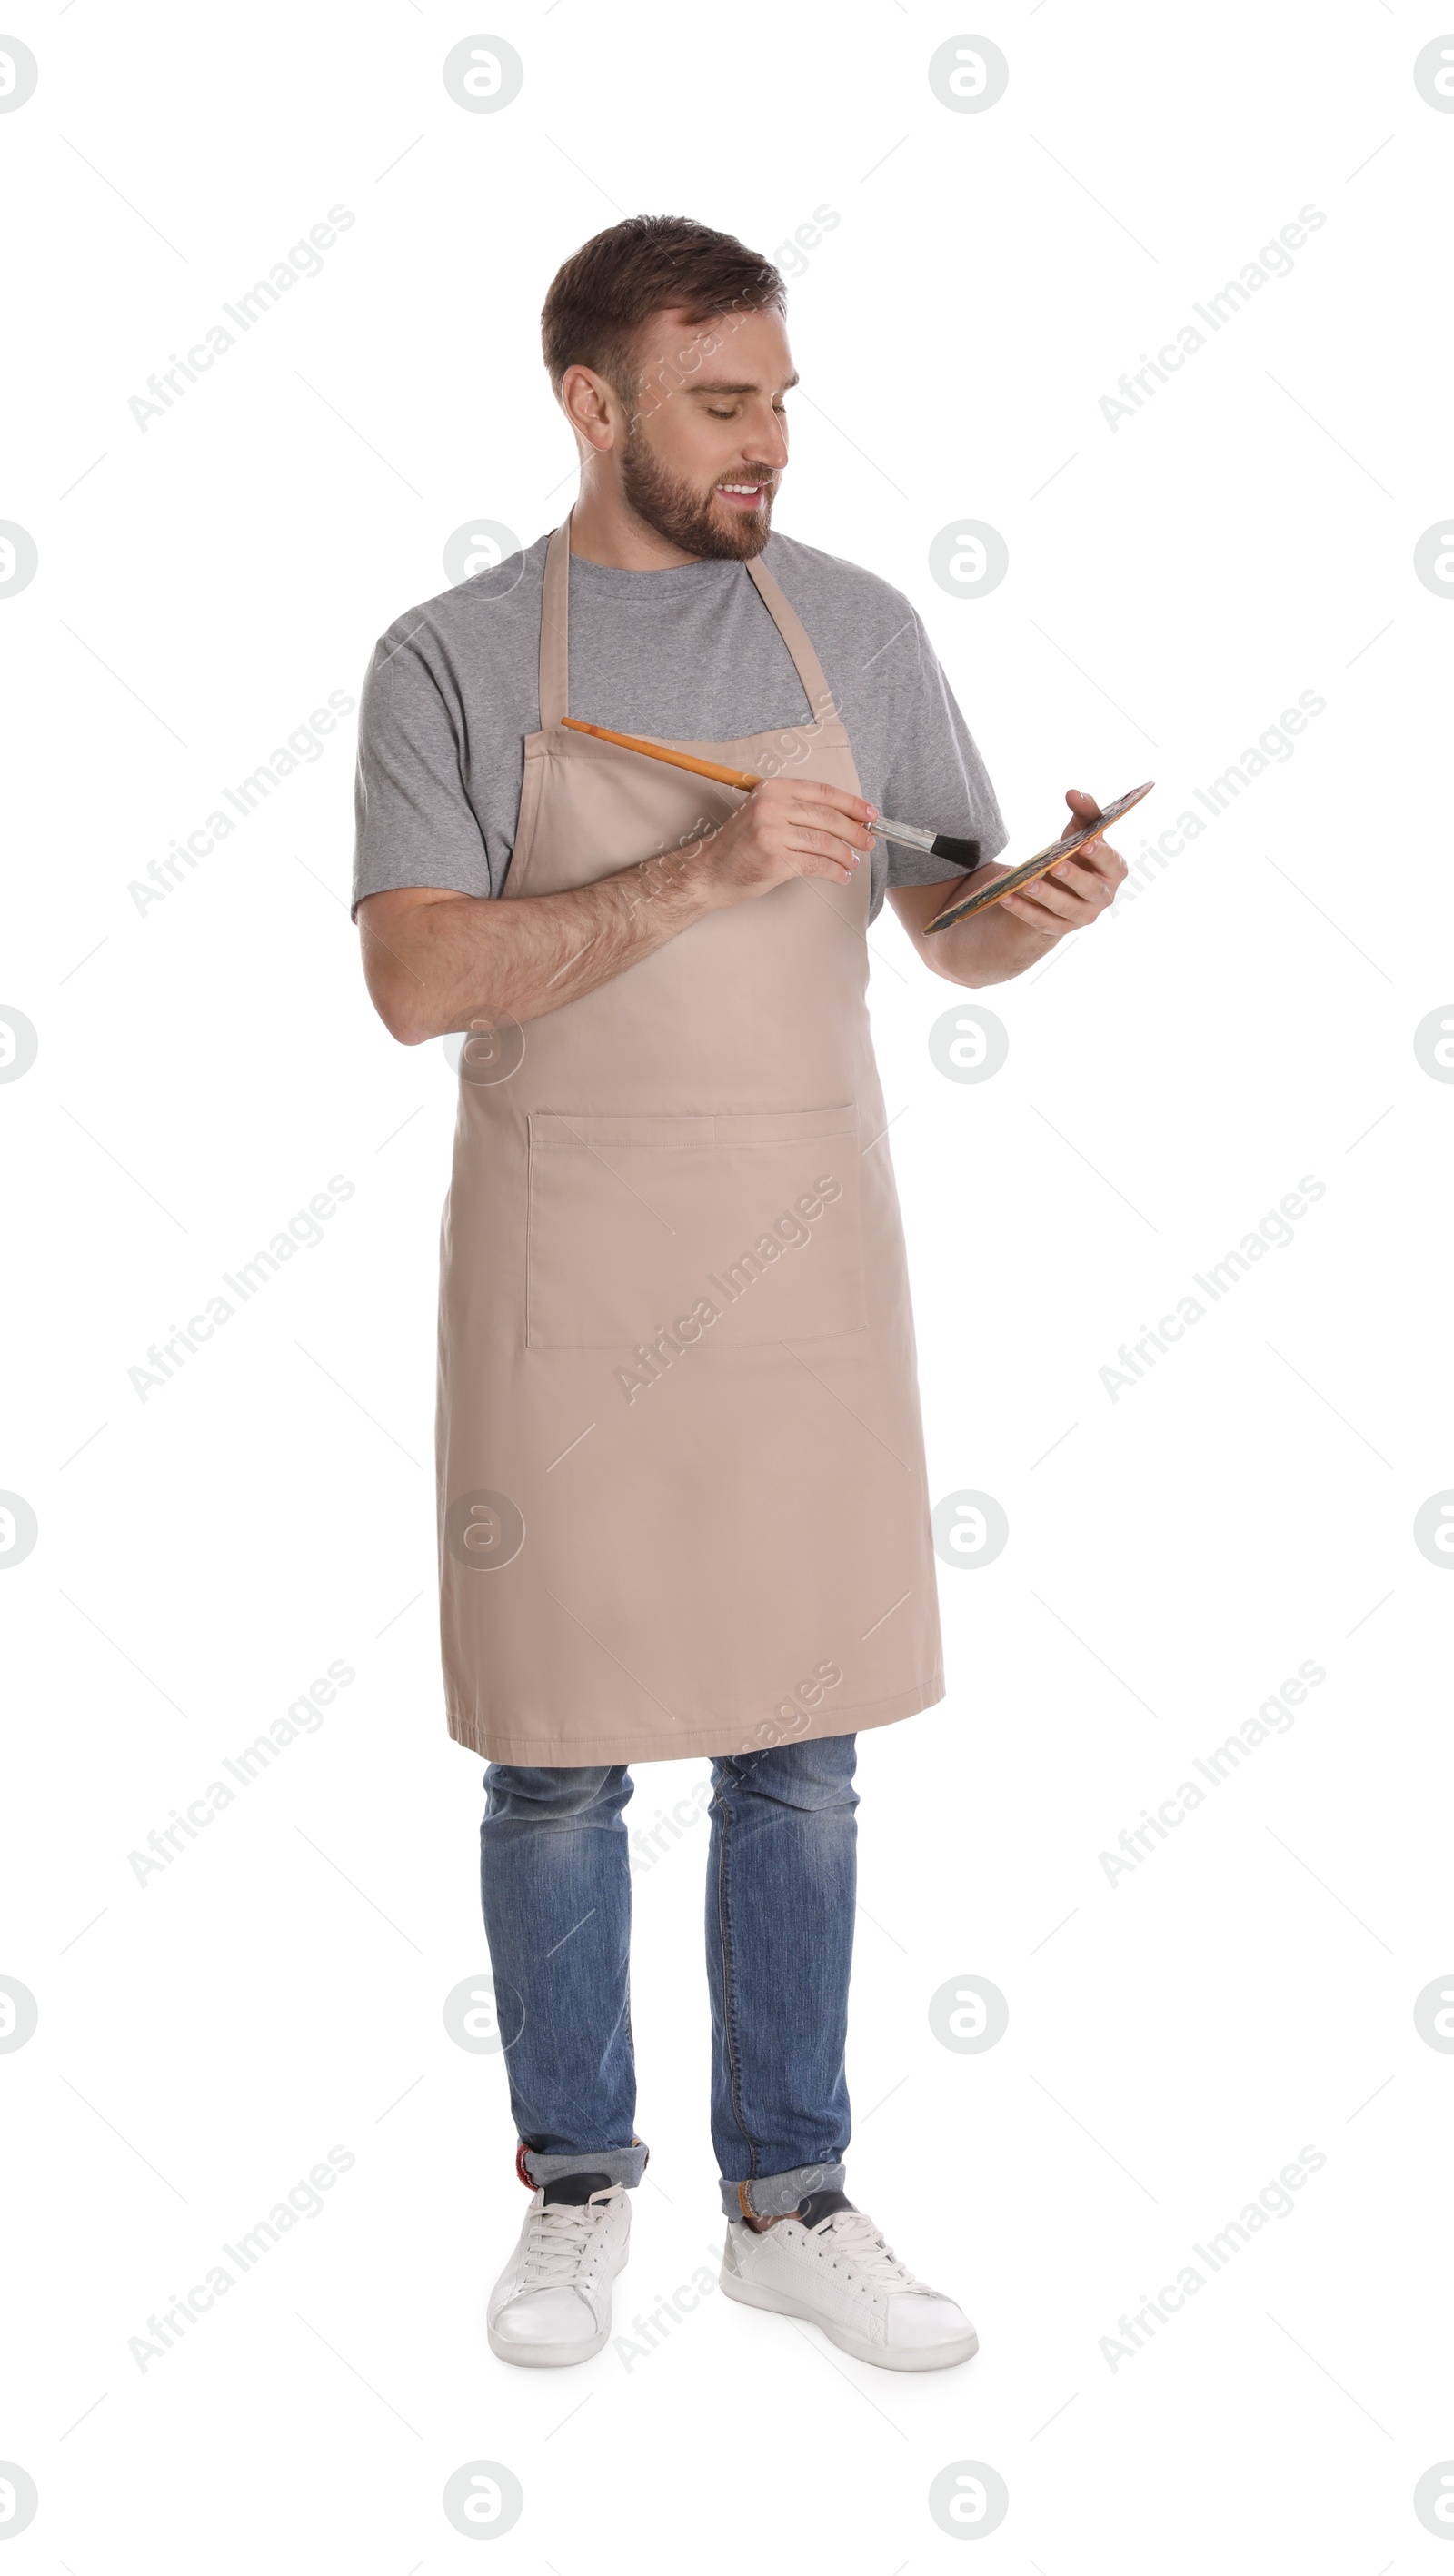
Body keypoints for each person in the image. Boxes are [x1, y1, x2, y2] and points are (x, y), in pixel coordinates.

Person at [353, 214, 1125, 2373]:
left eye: (778, 393)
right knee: (555, 1760)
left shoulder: (858, 629)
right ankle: (577, 2181)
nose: (766, 437)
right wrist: (697, 866)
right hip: (560, 1269)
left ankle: (788, 2193)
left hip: (800, 1263)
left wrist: (1032, 907)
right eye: (719, 401)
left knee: (801, 1748)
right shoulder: (446, 655)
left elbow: (944, 925)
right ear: (590, 404)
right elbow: (417, 973)